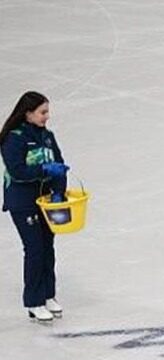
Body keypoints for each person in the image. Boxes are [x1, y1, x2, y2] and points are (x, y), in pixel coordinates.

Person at [2, 91, 69, 323]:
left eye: (47, 111)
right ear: (28, 113)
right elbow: (17, 171)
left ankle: (48, 295)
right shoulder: (15, 138)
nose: (47, 116)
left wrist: (59, 190)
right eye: (42, 112)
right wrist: (43, 171)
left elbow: (59, 164)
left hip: (46, 202)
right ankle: (34, 301)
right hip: (22, 202)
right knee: (35, 249)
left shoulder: (47, 137)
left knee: (48, 247)